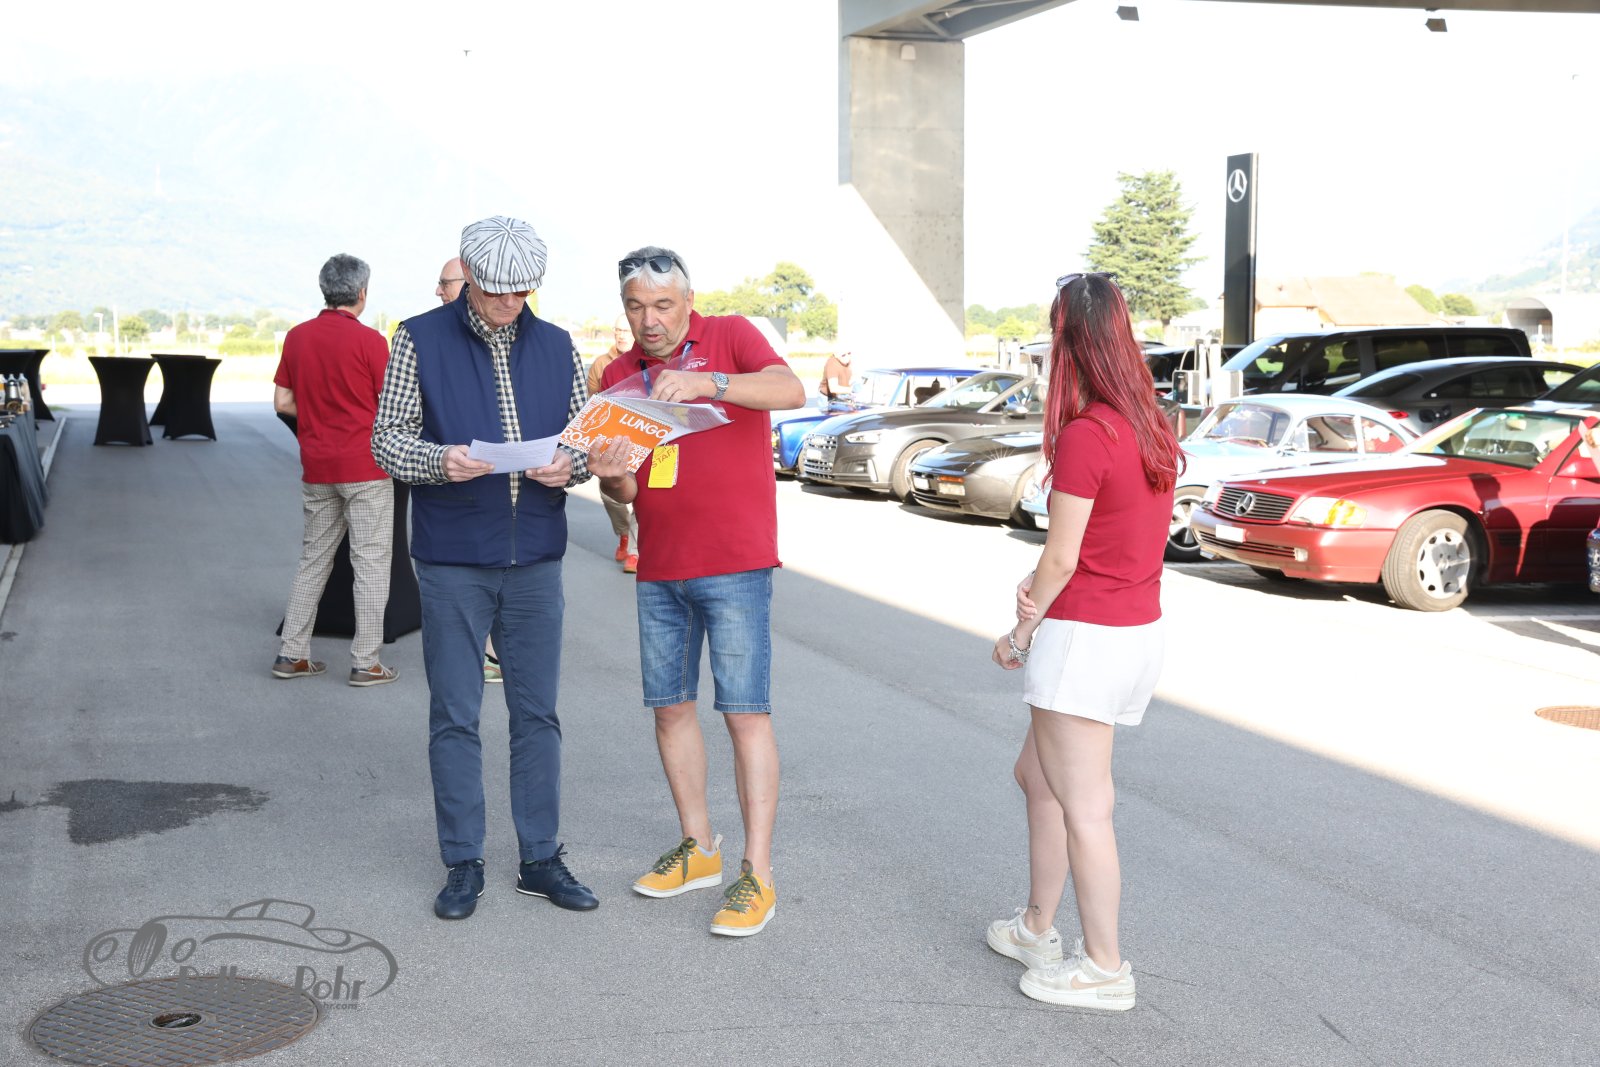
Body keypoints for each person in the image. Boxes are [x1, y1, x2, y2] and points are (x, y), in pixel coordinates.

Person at [372, 215, 598, 921]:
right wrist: (441, 460)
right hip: (452, 559)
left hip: (536, 557)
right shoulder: (417, 338)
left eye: (523, 291)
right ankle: (462, 860)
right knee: (455, 713)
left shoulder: (558, 344)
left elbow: (585, 441)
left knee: (537, 713)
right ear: (467, 274)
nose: (510, 302)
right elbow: (387, 441)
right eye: (498, 289)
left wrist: (571, 465)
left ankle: (540, 858)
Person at [587, 246, 804, 938]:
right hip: (660, 566)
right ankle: (699, 847)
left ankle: (756, 873)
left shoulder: (732, 335)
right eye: (635, 307)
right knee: (670, 709)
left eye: (662, 305)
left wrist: (710, 383)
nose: (649, 320)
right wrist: (611, 473)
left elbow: (791, 391)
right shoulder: (619, 376)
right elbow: (627, 487)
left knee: (745, 715)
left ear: (688, 302)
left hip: (736, 564)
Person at [988, 271, 1179, 1011]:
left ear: (1067, 343)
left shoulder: (1087, 434)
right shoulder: (1149, 425)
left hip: (1084, 639)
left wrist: (1018, 633)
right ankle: (1038, 926)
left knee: (1087, 807)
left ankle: (1105, 967)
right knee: (1038, 777)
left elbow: (1061, 558)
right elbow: (1106, 543)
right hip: (1132, 634)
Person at [271, 253, 397, 688]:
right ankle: (366, 662)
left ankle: (292, 654)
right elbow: (390, 406)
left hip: (317, 467)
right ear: (362, 292)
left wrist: (318, 415)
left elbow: (283, 402)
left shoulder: (297, 337)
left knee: (313, 560)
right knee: (371, 564)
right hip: (366, 467)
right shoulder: (371, 341)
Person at [435, 255, 503, 684]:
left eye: (444, 283)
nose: (438, 291)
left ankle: (491, 653)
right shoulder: (423, 338)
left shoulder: (533, 341)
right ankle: (480, 655)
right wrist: (438, 459)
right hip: (453, 513)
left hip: (509, 502)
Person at [584, 314, 640, 573]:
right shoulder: (601, 364)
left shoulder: (647, 359)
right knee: (610, 494)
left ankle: (635, 552)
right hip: (612, 439)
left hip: (642, 438)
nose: (621, 335)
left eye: (626, 331)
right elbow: (591, 403)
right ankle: (623, 533)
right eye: (618, 330)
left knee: (644, 496)